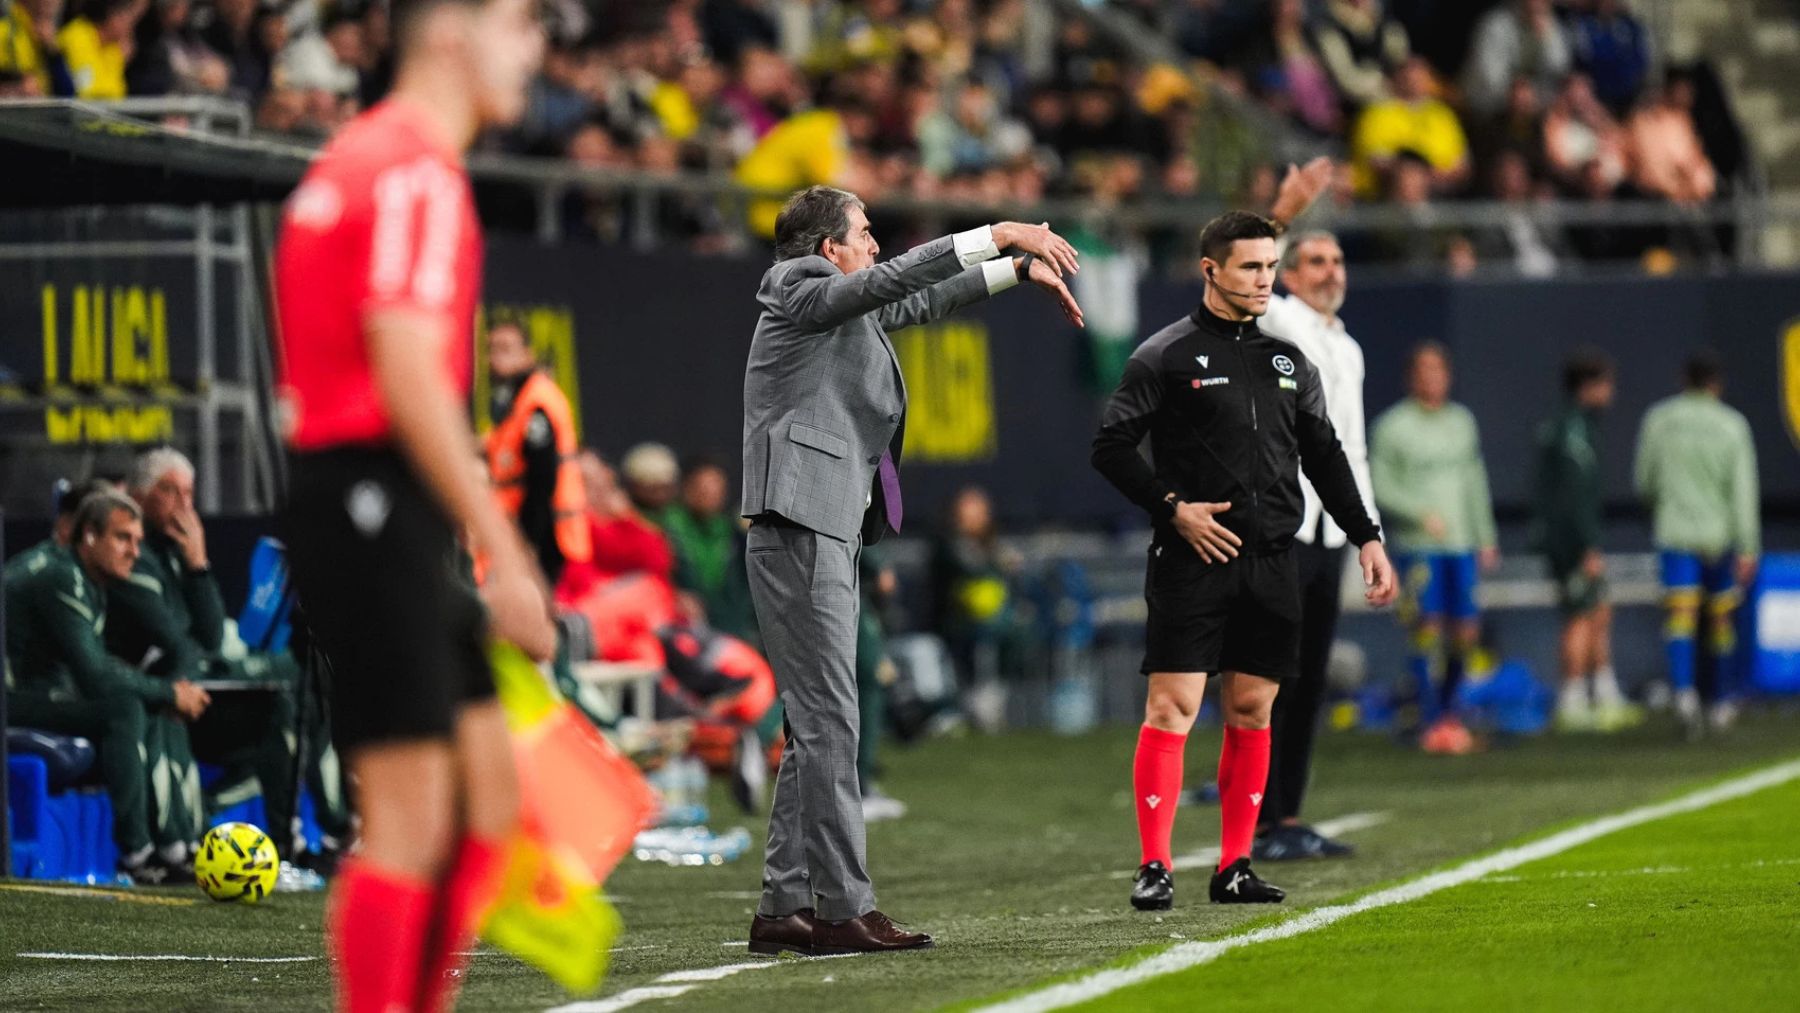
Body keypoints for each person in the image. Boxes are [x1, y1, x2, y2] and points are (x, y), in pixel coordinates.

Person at [271, 0, 556, 1008]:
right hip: (366, 490)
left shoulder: (367, 157)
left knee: (488, 804)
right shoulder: (411, 169)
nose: (537, 46)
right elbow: (406, 371)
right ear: (448, 31)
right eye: (520, 21)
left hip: (371, 493)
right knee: (408, 818)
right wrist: (504, 550)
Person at [741, 184, 1082, 956]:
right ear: (829, 248)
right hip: (801, 524)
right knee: (831, 720)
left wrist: (1013, 274)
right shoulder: (800, 285)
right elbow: (892, 283)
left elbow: (912, 304)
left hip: (822, 524)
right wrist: (997, 232)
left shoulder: (837, 307)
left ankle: (784, 904)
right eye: (864, 232)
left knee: (813, 725)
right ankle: (842, 908)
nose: (876, 245)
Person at [1092, 210, 1395, 912]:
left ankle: (1234, 864)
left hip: (1270, 561)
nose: (1264, 281)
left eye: (1269, 266)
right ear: (1210, 270)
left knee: (1253, 709)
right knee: (1172, 707)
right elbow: (1109, 446)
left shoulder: (1288, 361)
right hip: (1190, 557)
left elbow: (1325, 456)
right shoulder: (1164, 354)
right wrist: (1174, 507)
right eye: (1251, 267)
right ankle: (1155, 864)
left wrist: (1367, 536)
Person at [106, 448, 348, 866]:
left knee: (297, 702)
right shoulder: (134, 554)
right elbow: (176, 640)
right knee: (277, 706)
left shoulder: (181, 552)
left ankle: (310, 838)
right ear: (142, 495)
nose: (183, 504)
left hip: (196, 689)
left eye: (189, 493)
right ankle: (230, 831)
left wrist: (198, 565)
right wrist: (198, 644)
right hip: (161, 692)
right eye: (169, 491)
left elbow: (212, 634)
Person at [1248, 162, 1380, 862]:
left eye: (1337, 260)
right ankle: (1257, 819)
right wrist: (1282, 212)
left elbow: (1353, 450)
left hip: (1331, 529)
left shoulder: (1346, 345)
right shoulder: (1281, 321)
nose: (1330, 271)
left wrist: (1371, 536)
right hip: (1285, 523)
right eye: (1316, 260)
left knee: (1311, 678)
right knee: (1274, 677)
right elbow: (1245, 279)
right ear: (1291, 273)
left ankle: (1287, 815)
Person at [4, 490, 211, 884]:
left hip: (39, 693)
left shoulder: (83, 575)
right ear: (88, 537)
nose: (134, 551)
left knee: (147, 700)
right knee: (125, 706)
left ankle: (176, 845)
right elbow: (95, 676)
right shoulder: (58, 574)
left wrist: (165, 694)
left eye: (137, 540)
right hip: (13, 701)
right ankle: (136, 855)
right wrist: (169, 692)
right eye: (122, 538)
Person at [1370, 342, 1500, 755]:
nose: (1432, 378)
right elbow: (1379, 482)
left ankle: (1451, 712)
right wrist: (1417, 513)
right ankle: (1427, 719)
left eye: (1438, 370)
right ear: (1412, 377)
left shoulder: (1461, 422)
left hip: (1460, 544)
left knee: (1465, 630)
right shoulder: (1393, 426)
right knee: (1425, 628)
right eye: (1424, 370)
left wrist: (1485, 535)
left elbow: (1474, 480)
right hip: (1419, 546)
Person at [1633, 352, 1759, 735]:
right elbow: (1742, 491)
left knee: (1681, 618)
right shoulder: (1732, 425)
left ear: (1683, 380)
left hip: (1676, 532)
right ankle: (1720, 701)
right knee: (1721, 620)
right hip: (1718, 537)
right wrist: (1748, 544)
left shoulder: (1660, 420)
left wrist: (1662, 508)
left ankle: (1685, 693)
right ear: (1716, 384)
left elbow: (1644, 481)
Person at [1534, 351, 1642, 733]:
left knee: (1598, 610)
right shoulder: (1572, 432)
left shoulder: (1575, 426)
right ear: (1589, 385)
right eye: (1606, 383)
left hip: (1571, 538)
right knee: (1579, 615)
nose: (1612, 392)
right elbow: (1572, 495)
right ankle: (1573, 698)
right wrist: (1586, 544)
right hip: (1571, 542)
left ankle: (1603, 692)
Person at [485, 317, 591, 586]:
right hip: (524, 530)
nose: (497, 357)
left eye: (507, 348)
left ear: (527, 354)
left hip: (548, 534)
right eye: (492, 349)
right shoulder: (515, 398)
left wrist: (528, 542)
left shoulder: (537, 401)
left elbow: (542, 478)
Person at [661, 454, 758, 642]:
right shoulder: (668, 529)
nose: (710, 495)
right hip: (684, 632)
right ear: (686, 488)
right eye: (703, 488)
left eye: (717, 488)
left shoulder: (733, 535)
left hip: (734, 632)